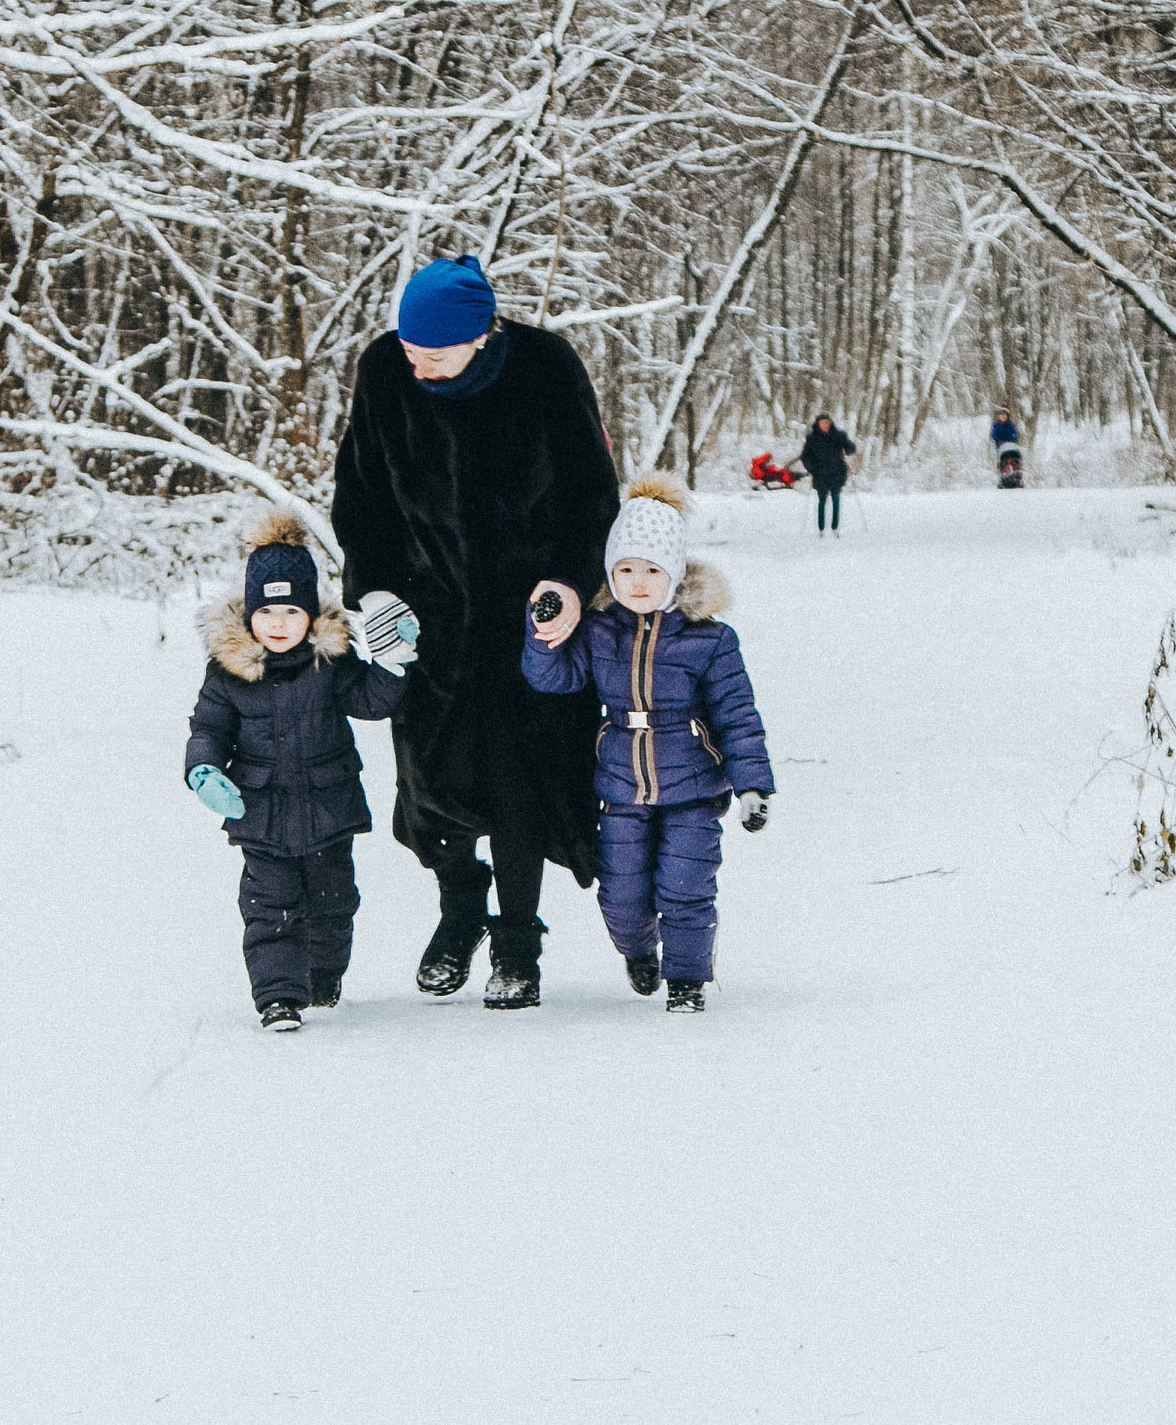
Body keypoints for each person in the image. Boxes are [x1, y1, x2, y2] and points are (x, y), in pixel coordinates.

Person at [332, 255, 620, 1010]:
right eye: (409, 349)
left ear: (482, 334)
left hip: (530, 623)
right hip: (430, 620)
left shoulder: (546, 367)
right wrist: (376, 591)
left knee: (519, 784)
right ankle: (460, 909)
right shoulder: (384, 374)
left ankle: (518, 944)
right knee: (432, 788)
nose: (416, 364)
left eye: (434, 352)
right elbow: (360, 496)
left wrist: (568, 578)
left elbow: (592, 493)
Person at [520, 474, 774, 1012]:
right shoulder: (598, 630)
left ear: (675, 573)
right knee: (622, 897)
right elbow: (555, 679)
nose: (637, 582)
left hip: (694, 788)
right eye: (626, 569)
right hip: (620, 788)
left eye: (651, 570)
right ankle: (638, 953)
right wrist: (543, 635)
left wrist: (753, 786)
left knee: (685, 889)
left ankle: (686, 981)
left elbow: (737, 714)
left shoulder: (711, 639)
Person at [184, 511, 414, 1031]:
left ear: (311, 615)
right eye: (268, 612)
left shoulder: (329, 665)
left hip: (328, 810)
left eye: (292, 610)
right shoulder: (229, 673)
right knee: (270, 907)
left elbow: (371, 701)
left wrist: (394, 664)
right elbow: (208, 730)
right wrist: (204, 772)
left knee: (334, 905)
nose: (280, 623)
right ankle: (278, 996)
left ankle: (323, 977)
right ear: (249, 616)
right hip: (260, 813)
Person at [799, 413, 857, 534]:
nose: (825, 425)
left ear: (830, 423)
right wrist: (811, 468)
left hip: (837, 472)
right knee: (822, 500)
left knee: (836, 499)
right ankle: (821, 528)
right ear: (818, 424)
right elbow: (805, 456)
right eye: (823, 423)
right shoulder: (812, 437)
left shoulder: (838, 435)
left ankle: (834, 527)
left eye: (827, 422)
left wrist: (850, 448)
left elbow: (849, 448)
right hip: (820, 473)